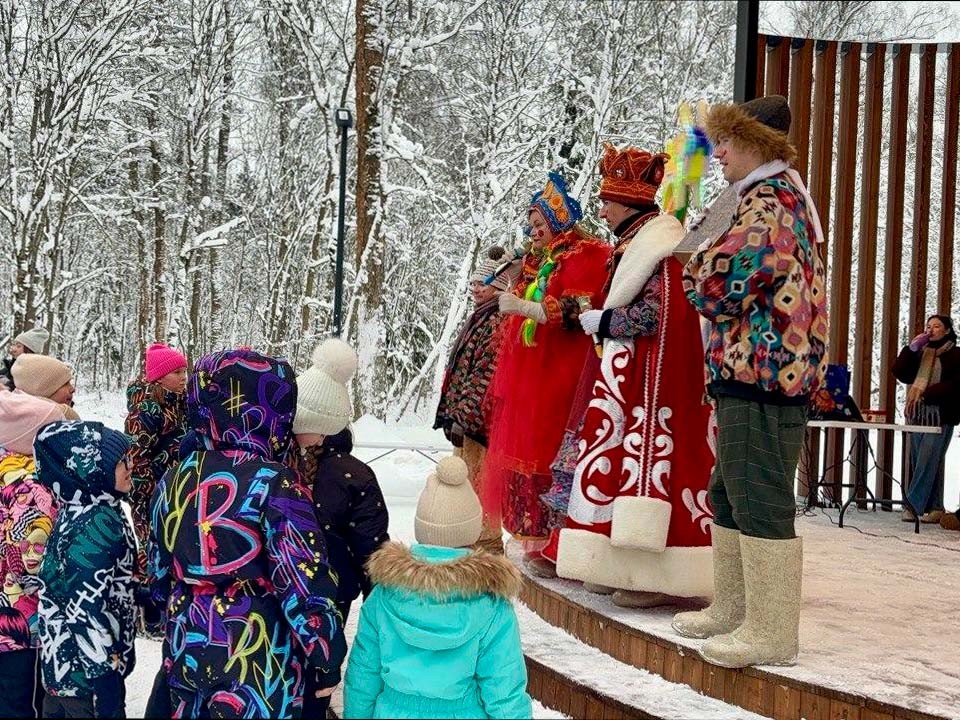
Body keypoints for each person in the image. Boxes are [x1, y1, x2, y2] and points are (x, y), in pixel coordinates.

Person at [674, 95, 828, 669]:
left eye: (728, 143)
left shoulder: (770, 202)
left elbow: (719, 280)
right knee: (731, 492)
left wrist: (695, 263)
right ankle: (736, 610)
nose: (718, 154)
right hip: (752, 370)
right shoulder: (771, 197)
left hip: (763, 371)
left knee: (758, 495)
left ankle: (770, 631)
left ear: (756, 146)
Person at [546, 144, 717, 609]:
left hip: (652, 386)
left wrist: (602, 321)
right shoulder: (637, 243)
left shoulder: (658, 247)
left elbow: (656, 315)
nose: (601, 209)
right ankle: (614, 562)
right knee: (613, 464)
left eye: (607, 201)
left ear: (627, 203)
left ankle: (654, 574)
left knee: (643, 469)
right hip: (627, 378)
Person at [147, 348, 345, 719]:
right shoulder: (275, 481)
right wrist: (325, 653)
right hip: (255, 649)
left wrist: (166, 610)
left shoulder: (175, 477)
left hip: (187, 639)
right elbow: (302, 577)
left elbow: (159, 567)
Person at [481, 172, 611, 576]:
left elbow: (581, 308)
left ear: (560, 222)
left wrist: (528, 309)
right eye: (531, 226)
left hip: (564, 371)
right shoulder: (538, 262)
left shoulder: (586, 254)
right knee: (529, 448)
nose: (533, 232)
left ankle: (558, 542)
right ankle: (535, 541)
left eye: (540, 225)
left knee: (552, 447)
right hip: (534, 373)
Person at [343, 456, 532, 719]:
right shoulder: (491, 606)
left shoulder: (384, 596)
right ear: (472, 530)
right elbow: (504, 690)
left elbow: (363, 675)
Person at [293, 338, 389, 719]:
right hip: (321, 587)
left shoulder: (352, 475)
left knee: (317, 668)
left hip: (331, 588)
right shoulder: (279, 464)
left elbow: (370, 547)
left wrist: (378, 605)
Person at [33, 421, 137, 719]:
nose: (130, 466)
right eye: (120, 462)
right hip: (86, 676)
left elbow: (80, 581)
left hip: (64, 669)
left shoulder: (77, 508)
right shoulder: (98, 522)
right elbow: (84, 605)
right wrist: (104, 677)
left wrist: (134, 592)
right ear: (92, 470)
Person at [434, 245, 521, 553]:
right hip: (469, 420)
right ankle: (472, 537)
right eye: (472, 283)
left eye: (481, 283)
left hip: (481, 424)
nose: (474, 288)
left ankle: (485, 542)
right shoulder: (481, 317)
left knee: (479, 482)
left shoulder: (497, 320)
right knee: (468, 481)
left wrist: (465, 415)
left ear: (498, 286)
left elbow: (486, 374)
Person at [0, 390, 64, 717]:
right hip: (23, 623)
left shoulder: (4, 470)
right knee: (22, 703)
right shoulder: (31, 487)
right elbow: (31, 563)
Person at [124, 344, 188, 585]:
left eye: (185, 371)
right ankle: (151, 605)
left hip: (176, 491)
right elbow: (136, 456)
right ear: (160, 378)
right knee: (154, 551)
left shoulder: (180, 403)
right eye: (176, 373)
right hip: (151, 495)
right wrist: (147, 495)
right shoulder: (147, 409)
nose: (183, 378)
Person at [893, 314, 960, 524]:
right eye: (928, 326)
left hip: (940, 415)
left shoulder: (956, 354)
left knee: (926, 461)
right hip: (918, 415)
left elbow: (955, 384)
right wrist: (910, 350)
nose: (931, 330)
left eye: (937, 326)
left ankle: (912, 505)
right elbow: (900, 373)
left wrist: (926, 393)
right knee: (928, 462)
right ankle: (935, 507)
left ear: (947, 330)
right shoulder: (921, 353)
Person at [10, 354, 78, 419]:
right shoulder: (61, 419)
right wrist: (67, 414)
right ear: (40, 390)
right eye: (64, 384)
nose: (73, 389)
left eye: (69, 382)